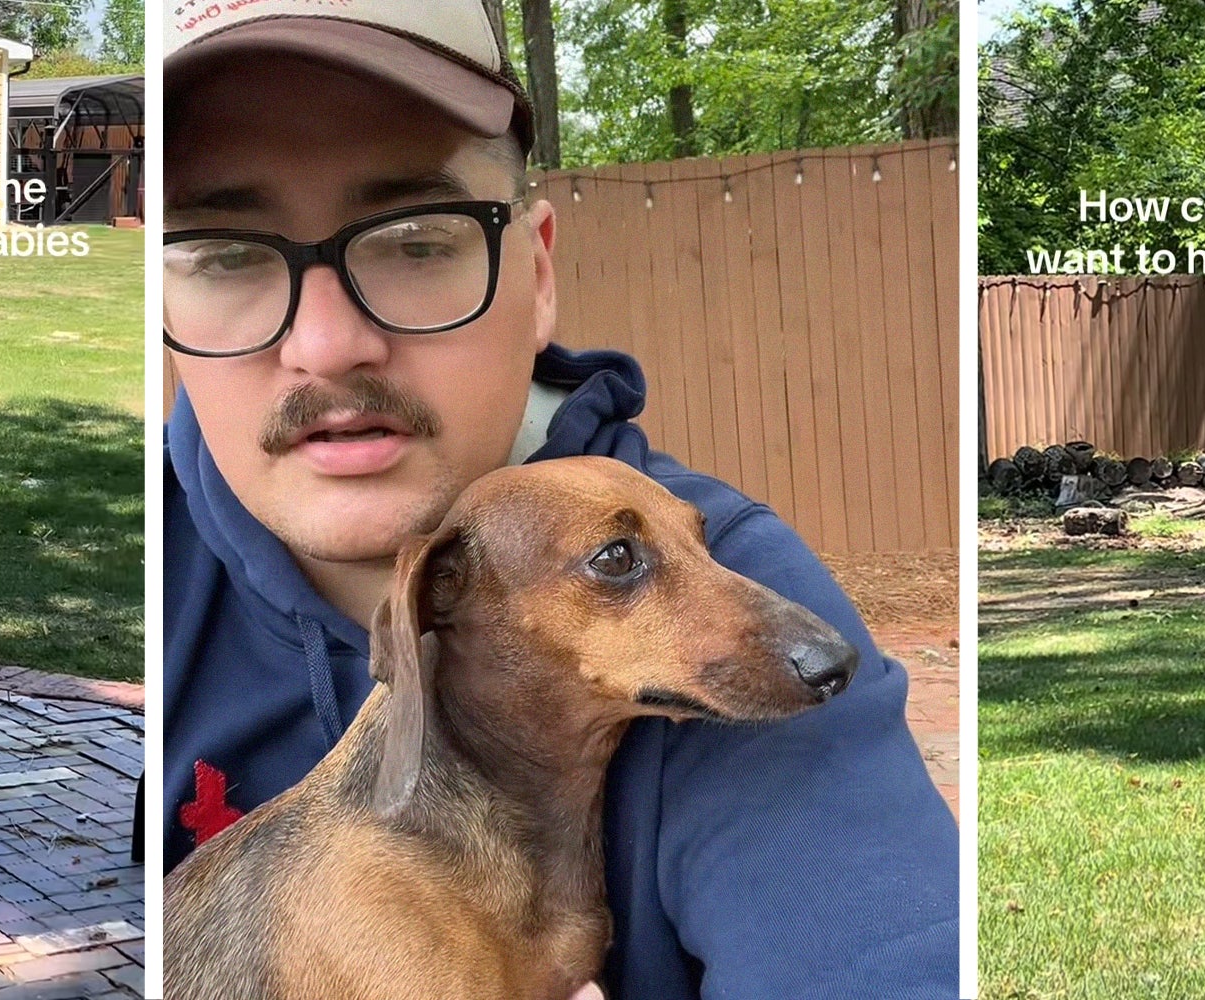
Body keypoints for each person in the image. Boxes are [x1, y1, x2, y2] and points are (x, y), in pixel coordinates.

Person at [160, 2, 959, 996]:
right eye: (225, 253)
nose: (325, 346)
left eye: (414, 239)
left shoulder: (748, 579)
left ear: (535, 273)